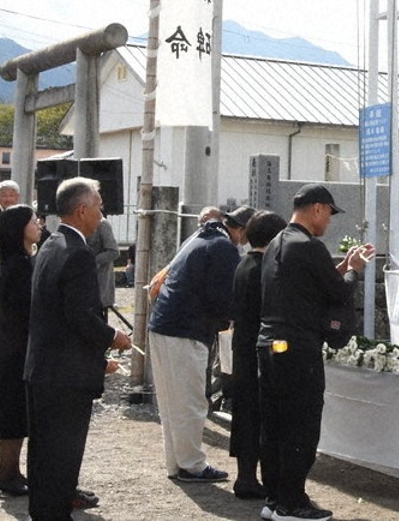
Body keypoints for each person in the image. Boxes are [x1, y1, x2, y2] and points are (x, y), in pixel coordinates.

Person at [257, 184, 371, 521]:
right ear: (318, 208)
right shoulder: (310, 246)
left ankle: (275, 499)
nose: (329, 222)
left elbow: (307, 287)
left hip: (269, 343)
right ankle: (292, 503)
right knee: (301, 425)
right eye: (329, 215)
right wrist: (354, 270)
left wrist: (342, 267)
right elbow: (337, 293)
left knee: (274, 425)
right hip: (297, 346)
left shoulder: (276, 243)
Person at [25, 177, 131, 520]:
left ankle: (44, 511)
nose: (102, 214)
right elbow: (80, 316)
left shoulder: (51, 244)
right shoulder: (79, 254)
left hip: (44, 367)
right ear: (82, 210)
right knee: (63, 455)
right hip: (66, 374)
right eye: (99, 206)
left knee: (43, 453)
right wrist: (113, 336)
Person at [148, 205, 253, 483]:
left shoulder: (199, 238)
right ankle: (192, 465)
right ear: (242, 229)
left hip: (162, 324)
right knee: (191, 401)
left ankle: (177, 463)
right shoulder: (223, 247)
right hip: (187, 329)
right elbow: (221, 299)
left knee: (171, 403)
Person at [229, 210, 286, 501]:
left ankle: (246, 476)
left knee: (245, 413)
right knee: (261, 415)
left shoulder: (244, 264)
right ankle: (256, 479)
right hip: (260, 350)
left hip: (242, 347)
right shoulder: (265, 269)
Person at [0, 205, 41, 499]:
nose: (39, 224)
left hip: (12, 343)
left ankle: (12, 472)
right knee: (12, 412)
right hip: (14, 345)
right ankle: (5, 474)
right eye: (33, 221)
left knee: (17, 412)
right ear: (20, 229)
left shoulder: (16, 260)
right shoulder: (18, 265)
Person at [85, 219, 119, 320]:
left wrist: (93, 261)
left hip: (100, 283)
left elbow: (114, 252)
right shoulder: (80, 223)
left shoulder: (103, 225)